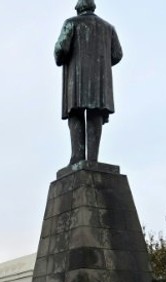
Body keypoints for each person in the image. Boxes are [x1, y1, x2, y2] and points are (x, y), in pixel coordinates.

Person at [54, 0, 122, 165]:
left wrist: (59, 56)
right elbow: (117, 54)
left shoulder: (71, 23)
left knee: (75, 113)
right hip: (99, 79)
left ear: (79, 7)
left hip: (76, 79)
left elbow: (61, 49)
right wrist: (101, 62)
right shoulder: (108, 28)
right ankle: (92, 159)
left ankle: (77, 156)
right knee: (95, 114)